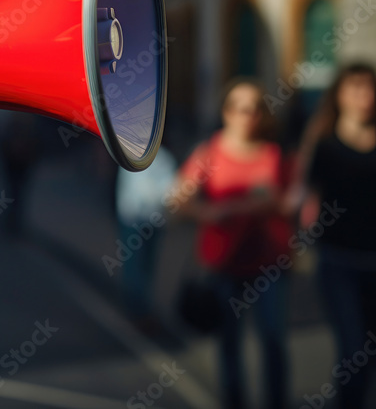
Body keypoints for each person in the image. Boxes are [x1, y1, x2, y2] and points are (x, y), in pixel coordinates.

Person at [174, 78, 290, 409]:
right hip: (223, 265)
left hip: (269, 264)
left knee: (274, 341)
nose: (247, 115)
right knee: (230, 344)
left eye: (254, 109)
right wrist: (209, 211)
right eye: (239, 108)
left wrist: (263, 203)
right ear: (226, 112)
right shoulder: (208, 153)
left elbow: (288, 204)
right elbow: (177, 202)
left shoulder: (273, 154)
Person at [298, 63, 376, 409]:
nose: (364, 96)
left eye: (369, 88)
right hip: (337, 261)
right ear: (340, 95)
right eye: (355, 88)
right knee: (352, 349)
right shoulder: (325, 141)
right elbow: (307, 195)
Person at [114, 142, 176, 329]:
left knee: (146, 266)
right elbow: (142, 191)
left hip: (153, 221)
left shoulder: (163, 157)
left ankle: (140, 308)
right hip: (135, 220)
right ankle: (137, 311)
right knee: (135, 266)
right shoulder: (135, 153)